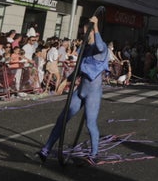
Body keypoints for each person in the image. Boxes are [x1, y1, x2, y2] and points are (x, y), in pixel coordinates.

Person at [37, 15, 109, 165]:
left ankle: (94, 154)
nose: (84, 34)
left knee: (90, 123)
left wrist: (95, 27)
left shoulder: (101, 48)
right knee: (62, 118)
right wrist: (65, 81)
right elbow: (78, 69)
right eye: (84, 31)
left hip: (93, 93)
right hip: (81, 89)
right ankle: (46, 149)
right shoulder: (84, 48)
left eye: (87, 31)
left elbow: (100, 46)